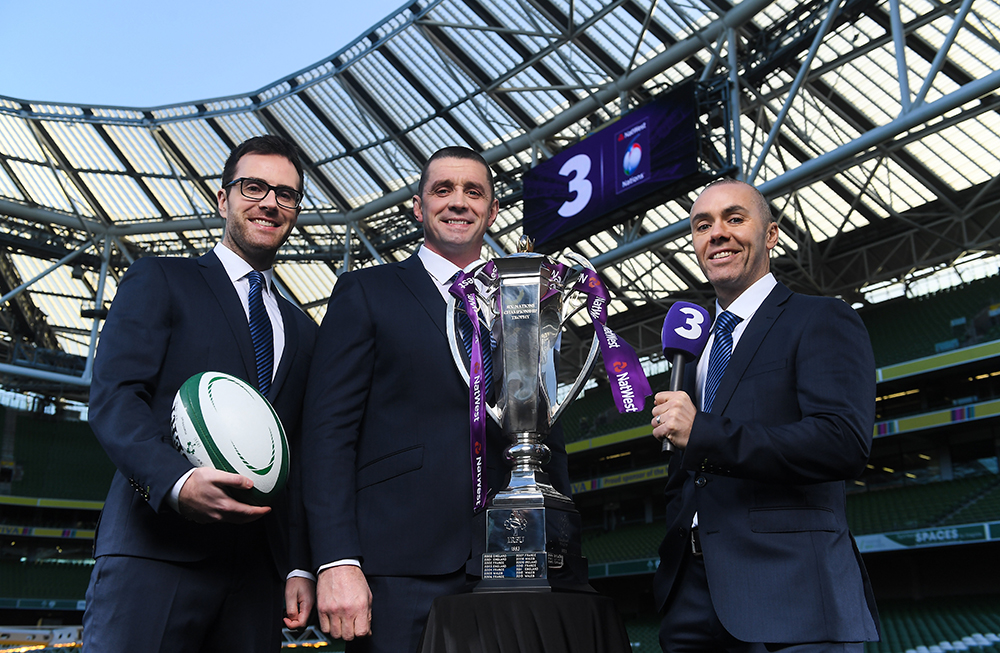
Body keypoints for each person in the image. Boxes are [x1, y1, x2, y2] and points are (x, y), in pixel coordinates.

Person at [301, 146, 571, 652]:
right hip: (398, 569)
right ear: (418, 206)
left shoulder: (524, 301)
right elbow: (327, 435)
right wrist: (336, 560)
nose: (458, 202)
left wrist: (562, 547)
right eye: (443, 189)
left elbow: (543, 422)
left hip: (514, 560)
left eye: (474, 192)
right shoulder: (366, 292)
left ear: (493, 210)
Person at [83, 135, 318, 652]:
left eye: (285, 194)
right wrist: (176, 481)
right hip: (154, 552)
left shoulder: (304, 331)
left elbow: (301, 454)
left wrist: (299, 563)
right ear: (223, 198)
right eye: (253, 187)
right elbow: (114, 398)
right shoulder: (162, 278)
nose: (270, 202)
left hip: (257, 576)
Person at [649, 179, 880, 651]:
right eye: (702, 226)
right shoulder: (694, 350)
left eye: (735, 219)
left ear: (771, 234)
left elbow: (841, 441)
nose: (717, 233)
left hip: (792, 594)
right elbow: (684, 476)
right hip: (690, 598)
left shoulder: (819, 318)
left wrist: (703, 431)